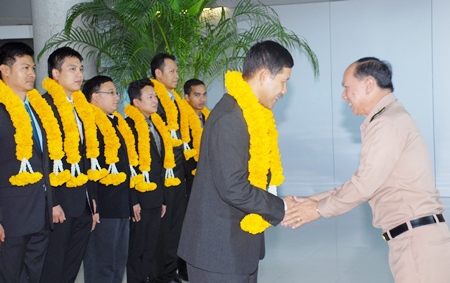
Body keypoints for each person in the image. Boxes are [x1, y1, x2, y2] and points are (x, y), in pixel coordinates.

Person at [282, 57, 450, 283]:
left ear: (369, 84)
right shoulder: (389, 118)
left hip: (416, 243)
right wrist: (309, 201)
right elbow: (362, 183)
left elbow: (364, 186)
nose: (343, 96)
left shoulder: (386, 123)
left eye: (346, 87)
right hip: (414, 240)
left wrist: (318, 209)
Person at [178, 40, 296, 283]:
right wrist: (281, 207)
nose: (284, 90)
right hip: (217, 253)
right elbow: (234, 188)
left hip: (235, 249)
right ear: (264, 76)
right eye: (283, 81)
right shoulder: (231, 118)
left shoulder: (247, 113)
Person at [40, 46, 98, 283]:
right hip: (59, 204)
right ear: (55, 74)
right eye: (72, 69)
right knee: (53, 266)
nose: (79, 74)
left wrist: (92, 200)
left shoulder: (82, 108)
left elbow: (87, 157)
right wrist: (52, 201)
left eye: (81, 69)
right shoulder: (43, 107)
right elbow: (42, 160)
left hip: (82, 202)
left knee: (72, 267)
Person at [0, 42, 56, 282]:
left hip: (40, 211)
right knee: (9, 275)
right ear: (5, 70)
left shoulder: (37, 108)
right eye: (25, 67)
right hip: (11, 216)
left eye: (33, 68)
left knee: (34, 274)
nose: (32, 74)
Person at [82, 75, 132, 283]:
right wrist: (93, 207)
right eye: (110, 92)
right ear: (94, 97)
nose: (117, 97)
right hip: (102, 205)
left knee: (117, 261)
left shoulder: (113, 123)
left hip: (120, 203)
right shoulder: (89, 125)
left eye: (116, 93)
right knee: (101, 263)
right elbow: (88, 167)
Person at [150, 53, 189, 283]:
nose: (176, 75)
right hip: (161, 172)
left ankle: (169, 271)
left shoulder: (174, 99)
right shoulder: (152, 98)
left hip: (177, 170)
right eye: (172, 71)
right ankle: (157, 275)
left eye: (177, 71)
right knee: (162, 226)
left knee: (176, 224)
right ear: (158, 74)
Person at [125, 79, 166, 283]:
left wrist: (163, 198)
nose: (154, 100)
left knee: (151, 246)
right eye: (149, 97)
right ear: (136, 102)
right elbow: (129, 166)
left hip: (156, 196)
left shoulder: (155, 124)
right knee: (137, 248)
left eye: (155, 96)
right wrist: (133, 200)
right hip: (139, 198)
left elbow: (160, 163)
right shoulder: (129, 127)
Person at [177, 78, 209, 281]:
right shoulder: (182, 120)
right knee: (186, 227)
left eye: (204, 94)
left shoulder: (209, 118)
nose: (202, 99)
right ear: (186, 97)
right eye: (197, 95)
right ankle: (184, 271)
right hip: (189, 180)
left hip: (207, 180)